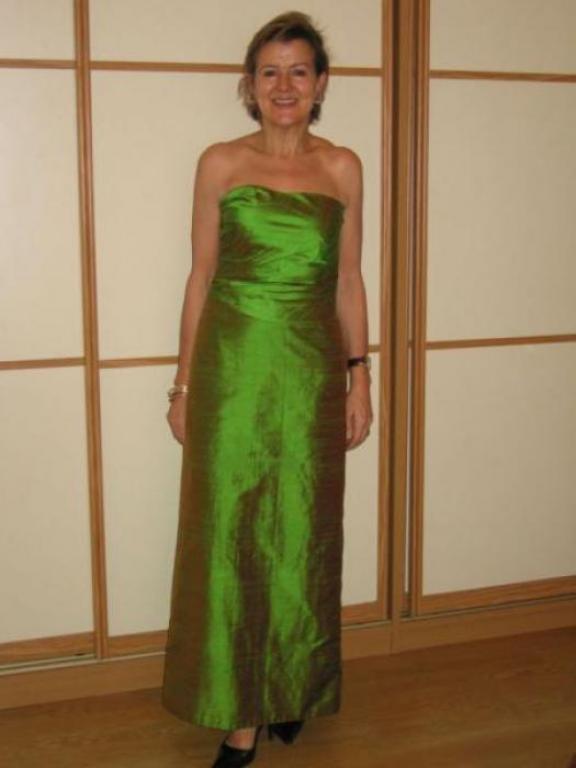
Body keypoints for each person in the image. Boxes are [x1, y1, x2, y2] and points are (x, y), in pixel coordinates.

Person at [161, 10, 373, 768]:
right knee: (234, 534)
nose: (285, 86)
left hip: (311, 373)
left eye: (299, 71)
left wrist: (359, 376)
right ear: (249, 85)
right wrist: (183, 384)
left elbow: (348, 280)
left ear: (320, 84)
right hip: (233, 372)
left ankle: (291, 688)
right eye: (270, 72)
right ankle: (241, 712)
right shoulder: (220, 163)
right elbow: (201, 277)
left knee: (304, 531)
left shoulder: (343, 167)